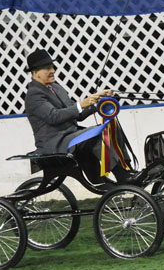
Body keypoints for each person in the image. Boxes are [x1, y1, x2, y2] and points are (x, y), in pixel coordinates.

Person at [24, 49, 136, 184]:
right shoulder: (34, 95)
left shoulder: (56, 87)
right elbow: (54, 116)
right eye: (47, 68)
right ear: (35, 72)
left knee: (111, 128)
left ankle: (126, 168)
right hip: (55, 143)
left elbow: (78, 114)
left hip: (70, 136)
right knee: (97, 134)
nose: (52, 70)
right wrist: (82, 104)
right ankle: (122, 176)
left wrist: (99, 101)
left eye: (52, 67)